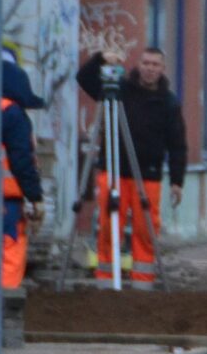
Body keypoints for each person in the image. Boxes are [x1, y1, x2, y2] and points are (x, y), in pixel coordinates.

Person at [78, 47, 188, 287]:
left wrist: (177, 181)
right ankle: (106, 282)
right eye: (146, 63)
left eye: (155, 64)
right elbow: (84, 79)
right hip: (114, 170)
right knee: (108, 227)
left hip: (148, 175)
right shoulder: (119, 90)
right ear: (139, 65)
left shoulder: (168, 102)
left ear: (163, 68)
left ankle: (142, 283)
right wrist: (100, 59)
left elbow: (177, 144)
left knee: (146, 231)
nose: (150, 69)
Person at [0, 61, 46, 290]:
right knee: (10, 250)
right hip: (6, 202)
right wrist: (35, 197)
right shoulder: (14, 114)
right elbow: (21, 161)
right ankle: (6, 303)